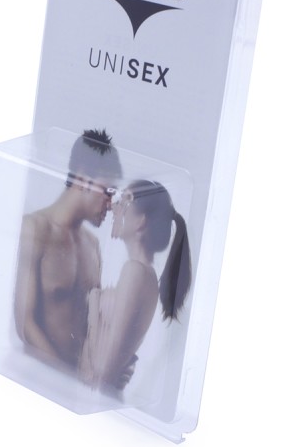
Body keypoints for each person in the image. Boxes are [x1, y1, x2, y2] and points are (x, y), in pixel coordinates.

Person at [13, 129, 122, 374]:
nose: (110, 204)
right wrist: (68, 378)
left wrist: (110, 367)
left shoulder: (93, 245)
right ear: (83, 179)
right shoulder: (34, 229)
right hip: (38, 379)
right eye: (108, 191)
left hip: (79, 383)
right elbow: (25, 324)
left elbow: (93, 326)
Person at [78, 180, 191, 394]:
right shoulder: (145, 275)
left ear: (141, 221)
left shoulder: (135, 272)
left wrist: (93, 301)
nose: (114, 207)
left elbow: (102, 370)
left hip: (95, 395)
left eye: (124, 201)